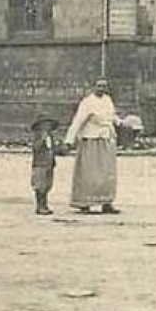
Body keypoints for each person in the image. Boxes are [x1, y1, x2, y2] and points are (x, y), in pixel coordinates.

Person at [64, 80, 120, 214]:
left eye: (104, 86)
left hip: (106, 139)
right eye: (99, 86)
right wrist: (69, 140)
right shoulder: (87, 102)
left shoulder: (107, 100)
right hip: (91, 140)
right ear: (93, 87)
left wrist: (121, 123)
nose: (101, 88)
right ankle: (85, 203)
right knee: (89, 173)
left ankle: (106, 202)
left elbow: (111, 116)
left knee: (107, 173)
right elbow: (78, 121)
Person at [29, 115, 60, 216]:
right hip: (39, 164)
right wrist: (41, 140)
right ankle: (40, 206)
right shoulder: (38, 137)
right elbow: (36, 148)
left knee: (47, 185)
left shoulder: (50, 138)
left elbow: (54, 149)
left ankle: (44, 204)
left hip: (49, 163)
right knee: (39, 185)